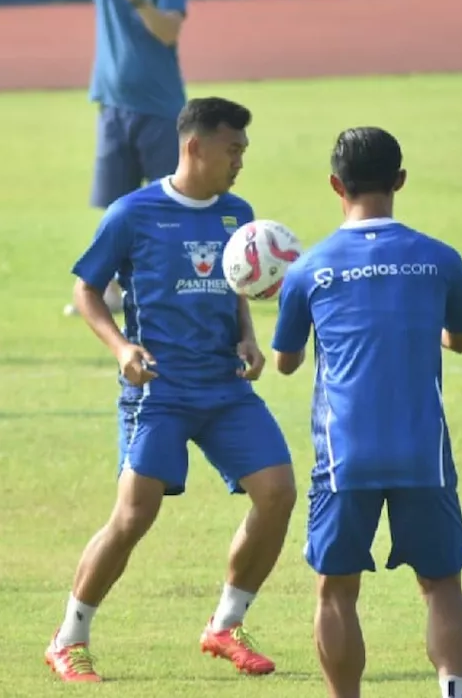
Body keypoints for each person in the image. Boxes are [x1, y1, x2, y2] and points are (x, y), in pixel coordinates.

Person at [45, 98, 296, 682]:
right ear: (195, 146)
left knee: (278, 492)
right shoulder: (133, 213)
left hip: (224, 387)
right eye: (233, 149)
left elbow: (237, 283)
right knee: (134, 517)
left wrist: (247, 337)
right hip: (158, 390)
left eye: (243, 151)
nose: (240, 161)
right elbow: (87, 289)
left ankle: (226, 625)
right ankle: (68, 637)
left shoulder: (238, 213)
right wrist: (121, 349)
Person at [271, 127, 462, 698]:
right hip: (423, 453)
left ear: (336, 184)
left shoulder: (308, 269)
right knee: (441, 586)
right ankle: (454, 691)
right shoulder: (440, 259)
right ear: (400, 182)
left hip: (345, 458)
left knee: (336, 592)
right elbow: (459, 340)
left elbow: (286, 363)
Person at [52, 0, 188, 317]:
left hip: (161, 109)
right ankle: (109, 289)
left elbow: (167, 32)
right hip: (113, 109)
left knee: (168, 202)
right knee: (116, 207)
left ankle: (176, 282)